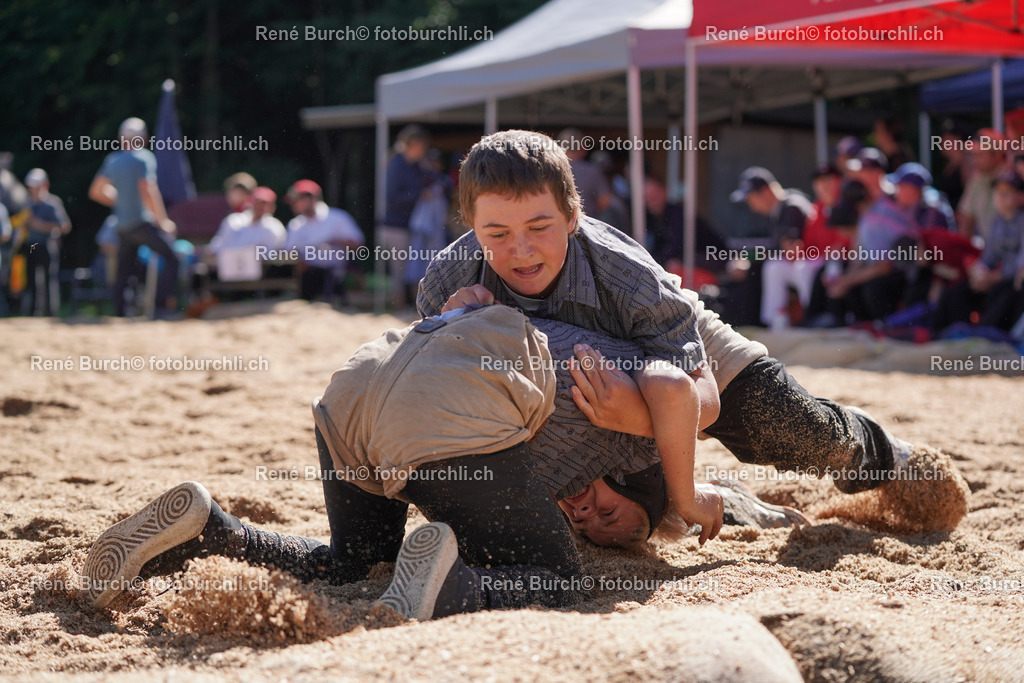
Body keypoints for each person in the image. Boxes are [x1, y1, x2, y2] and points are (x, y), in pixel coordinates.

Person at [419, 130, 965, 552]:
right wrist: (448, 338)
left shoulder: (626, 275)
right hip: (580, 389)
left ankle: (888, 456)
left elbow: (699, 397)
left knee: (785, 429)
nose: (521, 250)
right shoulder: (447, 283)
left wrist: (637, 417)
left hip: (679, 357)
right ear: (469, 224)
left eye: (540, 227)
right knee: (621, 515)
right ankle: (732, 507)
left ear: (573, 215)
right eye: (496, 234)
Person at [81, 305, 808, 620]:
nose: (587, 515)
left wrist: (736, 503)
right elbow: (676, 404)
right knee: (559, 577)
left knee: (353, 562)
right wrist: (691, 495)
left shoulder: (560, 475)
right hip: (441, 406)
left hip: (355, 389)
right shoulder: (630, 432)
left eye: (596, 528)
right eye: (611, 512)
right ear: (631, 472)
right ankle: (456, 585)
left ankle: (211, 531)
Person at [88, 117, 180, 317]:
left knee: (124, 271)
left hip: (122, 226)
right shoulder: (143, 158)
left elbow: (96, 191)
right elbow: (148, 189)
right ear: (143, 138)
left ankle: (122, 313)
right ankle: (161, 307)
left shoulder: (113, 160)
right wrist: (163, 221)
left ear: (122, 139)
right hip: (140, 223)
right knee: (173, 258)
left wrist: (120, 200)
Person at [824, 147, 919, 322]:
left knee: (871, 287)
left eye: (862, 171)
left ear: (877, 173)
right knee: (845, 282)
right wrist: (844, 279)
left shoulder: (895, 200)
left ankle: (884, 332)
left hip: (909, 271)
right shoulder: (866, 207)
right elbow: (860, 254)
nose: (856, 176)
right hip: (882, 266)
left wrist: (848, 281)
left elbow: (886, 265)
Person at [933, 169, 1024, 333]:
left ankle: (985, 338)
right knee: (955, 293)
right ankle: (948, 336)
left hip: (1012, 282)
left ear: (1020, 197)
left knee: (1002, 294)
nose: (1001, 197)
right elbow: (988, 257)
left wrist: (992, 278)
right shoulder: (998, 222)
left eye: (1007, 193)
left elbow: (1020, 266)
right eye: (998, 192)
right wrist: (979, 272)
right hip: (995, 278)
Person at [729, 166, 815, 328]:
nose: (751, 206)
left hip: (816, 264)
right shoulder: (778, 210)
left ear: (767, 192)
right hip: (801, 265)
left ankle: (810, 318)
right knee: (773, 266)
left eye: (751, 198)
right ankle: (775, 322)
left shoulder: (792, 206)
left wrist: (748, 257)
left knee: (774, 266)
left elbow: (784, 248)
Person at [284, 179, 364, 303]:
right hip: (308, 277)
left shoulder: (337, 218)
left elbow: (357, 244)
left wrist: (334, 241)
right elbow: (290, 253)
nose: (293, 205)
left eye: (296, 201)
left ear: (309, 199)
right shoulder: (296, 225)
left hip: (337, 273)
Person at [380, 125, 433, 308]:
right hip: (395, 228)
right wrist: (419, 194)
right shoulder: (397, 164)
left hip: (409, 227)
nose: (423, 150)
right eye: (421, 146)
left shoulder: (416, 165)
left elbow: (435, 179)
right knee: (399, 274)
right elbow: (392, 197)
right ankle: (398, 308)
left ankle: (411, 308)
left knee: (414, 270)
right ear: (413, 144)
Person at [18, 168, 70, 316]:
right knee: (30, 280)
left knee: (49, 279)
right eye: (31, 187)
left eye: (37, 186)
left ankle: (50, 313)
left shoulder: (52, 203)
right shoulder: (27, 204)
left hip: (48, 244)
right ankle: (30, 312)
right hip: (31, 246)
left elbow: (64, 226)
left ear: (45, 185)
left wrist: (36, 223)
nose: (34, 190)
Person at [957, 128, 1010, 241]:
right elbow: (966, 220)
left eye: (980, 155)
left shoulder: (1014, 179)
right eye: (973, 155)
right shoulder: (976, 180)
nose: (974, 161)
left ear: (997, 155)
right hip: (989, 252)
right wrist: (965, 251)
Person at [558, 128, 611, 218]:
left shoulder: (552, 170)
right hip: (586, 223)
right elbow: (604, 201)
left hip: (559, 224)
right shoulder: (593, 171)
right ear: (582, 149)